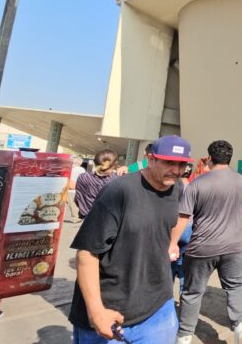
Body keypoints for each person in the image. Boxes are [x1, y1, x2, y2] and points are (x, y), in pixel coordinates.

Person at [69, 135, 191, 343]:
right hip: (111, 310)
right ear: (151, 159)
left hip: (158, 306)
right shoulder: (119, 191)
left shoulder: (177, 188)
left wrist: (172, 242)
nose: (176, 170)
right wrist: (96, 311)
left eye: (182, 165)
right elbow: (87, 252)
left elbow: (179, 217)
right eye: (169, 162)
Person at [169, 140, 242, 344]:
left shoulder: (198, 183)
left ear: (210, 158)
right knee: (237, 286)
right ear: (230, 158)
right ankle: (241, 326)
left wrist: (172, 243)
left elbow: (183, 217)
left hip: (203, 247)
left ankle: (185, 335)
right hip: (235, 246)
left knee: (192, 292)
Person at [74, 149, 118, 218]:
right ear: (115, 164)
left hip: (89, 219)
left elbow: (78, 199)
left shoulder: (83, 177)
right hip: (110, 220)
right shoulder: (117, 179)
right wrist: (130, 167)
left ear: (95, 162)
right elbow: (141, 164)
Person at [66, 156, 86, 223]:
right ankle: (77, 217)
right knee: (75, 204)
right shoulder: (81, 169)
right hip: (77, 189)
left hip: (68, 189)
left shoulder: (69, 169)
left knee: (69, 204)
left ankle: (74, 218)